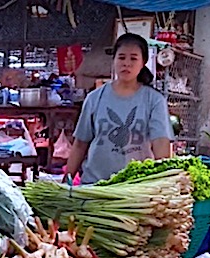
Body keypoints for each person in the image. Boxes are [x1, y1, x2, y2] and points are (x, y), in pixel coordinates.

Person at [67, 33, 173, 183]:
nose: (127, 63)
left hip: (136, 188)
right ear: (114, 60)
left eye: (133, 58)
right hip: (95, 186)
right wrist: (67, 179)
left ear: (143, 62)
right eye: (121, 57)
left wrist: (164, 182)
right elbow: (80, 144)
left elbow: (161, 143)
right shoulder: (94, 98)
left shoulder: (154, 100)